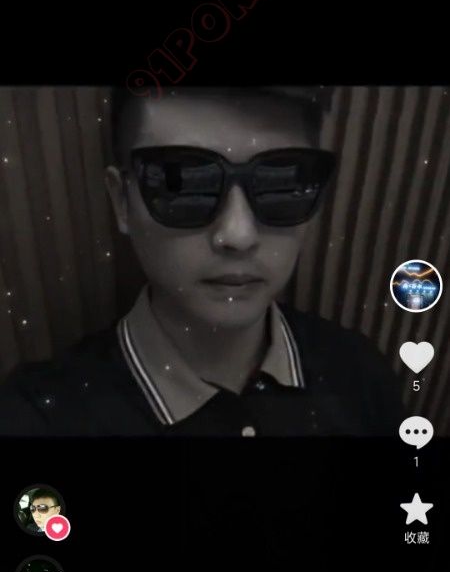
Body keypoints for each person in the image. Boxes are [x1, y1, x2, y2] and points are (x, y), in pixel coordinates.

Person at [0, 86, 404, 436]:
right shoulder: (37, 418)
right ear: (122, 200)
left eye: (282, 183)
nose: (238, 235)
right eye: (182, 183)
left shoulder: (360, 374)